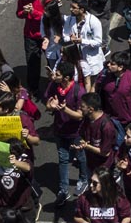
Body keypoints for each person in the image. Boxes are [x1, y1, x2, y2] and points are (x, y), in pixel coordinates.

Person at [44, 61, 89, 205]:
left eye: (57, 74)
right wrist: (50, 107)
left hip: (76, 132)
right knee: (63, 159)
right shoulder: (53, 86)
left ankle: (83, 179)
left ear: (66, 77)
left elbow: (80, 115)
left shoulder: (79, 91)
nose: (54, 76)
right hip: (60, 130)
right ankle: (63, 189)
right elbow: (48, 103)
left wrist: (64, 110)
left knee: (80, 156)